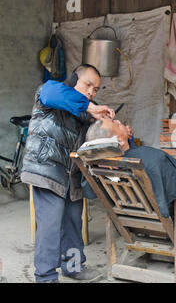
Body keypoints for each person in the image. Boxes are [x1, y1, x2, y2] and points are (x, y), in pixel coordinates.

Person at [21, 64, 115, 283]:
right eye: (88, 84)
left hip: (71, 176)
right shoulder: (49, 92)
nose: (92, 92)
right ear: (73, 80)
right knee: (50, 227)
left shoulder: (84, 113)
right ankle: (45, 277)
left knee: (74, 224)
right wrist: (91, 107)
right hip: (46, 171)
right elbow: (54, 93)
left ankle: (73, 267)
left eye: (96, 89)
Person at [83, 119, 176, 228]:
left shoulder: (101, 167)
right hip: (158, 215)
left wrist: (128, 139)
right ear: (119, 141)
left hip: (132, 218)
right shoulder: (148, 159)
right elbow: (174, 185)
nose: (120, 122)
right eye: (118, 124)